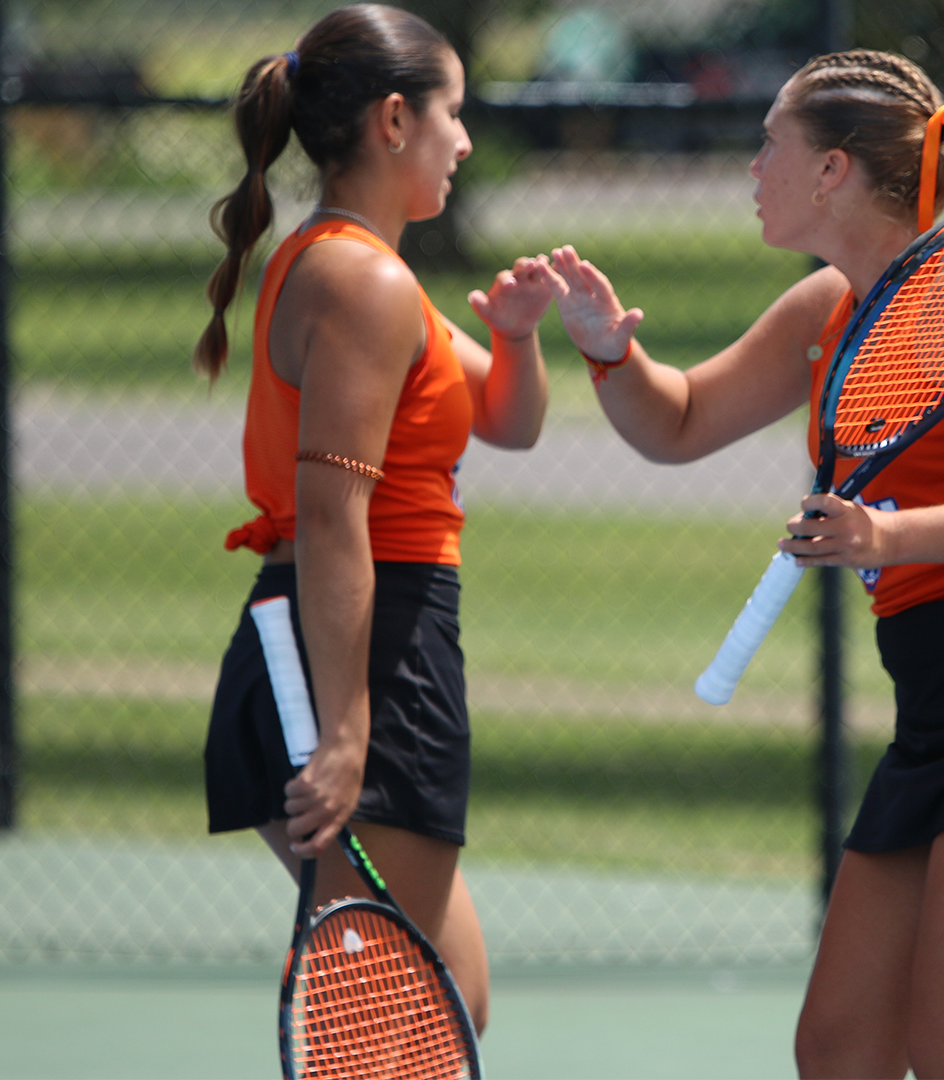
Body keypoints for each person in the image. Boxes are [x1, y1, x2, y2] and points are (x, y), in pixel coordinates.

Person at [548, 50, 944, 1079]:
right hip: (941, 706)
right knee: (842, 1049)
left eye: (772, 142)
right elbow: (676, 423)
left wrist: (889, 537)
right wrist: (605, 349)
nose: (752, 164)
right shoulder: (830, 312)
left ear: (834, 170)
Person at [197, 4, 560, 1033]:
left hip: (354, 646)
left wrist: (522, 336)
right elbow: (330, 520)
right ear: (395, 121)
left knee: (440, 1006)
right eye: (456, 114)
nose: (467, 141)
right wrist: (347, 732)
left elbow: (510, 420)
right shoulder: (360, 280)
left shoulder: (364, 269)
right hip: (363, 653)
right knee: (407, 1021)